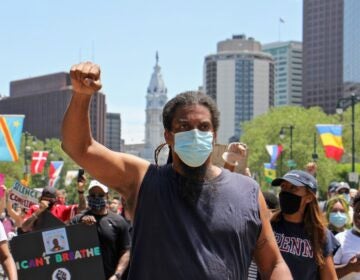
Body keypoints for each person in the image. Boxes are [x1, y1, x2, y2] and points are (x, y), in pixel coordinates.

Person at [61, 62, 292, 279]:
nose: (194, 134)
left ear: (214, 136)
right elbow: (80, 147)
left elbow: (273, 263)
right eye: (184, 126)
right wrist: (82, 96)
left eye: (203, 127)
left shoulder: (248, 191)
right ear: (168, 136)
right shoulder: (143, 180)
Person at [271, 170, 339, 280]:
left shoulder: (321, 235)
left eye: (293, 188)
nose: (286, 192)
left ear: (309, 197)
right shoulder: (268, 225)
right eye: (283, 187)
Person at [70, 180, 130, 280]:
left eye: (100, 194)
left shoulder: (118, 221)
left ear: (107, 196)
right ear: (88, 197)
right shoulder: (78, 220)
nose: (96, 197)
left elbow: (126, 251)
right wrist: (80, 226)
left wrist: (117, 275)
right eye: (93, 195)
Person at [21, 185, 86, 232]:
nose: (47, 203)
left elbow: (82, 208)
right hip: (39, 244)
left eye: (50, 200)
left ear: (55, 200)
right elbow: (24, 228)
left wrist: (81, 192)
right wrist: (39, 211)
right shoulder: (34, 208)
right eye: (45, 200)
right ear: (41, 199)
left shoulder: (61, 209)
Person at [333, 192, 360, 279]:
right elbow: (327, 274)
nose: (359, 215)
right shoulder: (339, 239)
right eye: (358, 210)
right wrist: (349, 268)